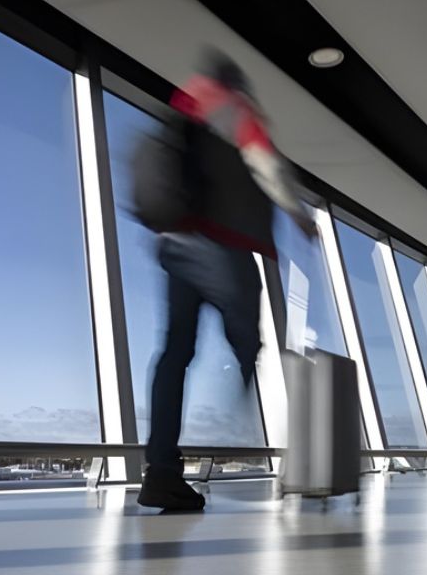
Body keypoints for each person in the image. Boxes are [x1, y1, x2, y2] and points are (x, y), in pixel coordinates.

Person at [137, 50, 314, 511]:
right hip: (220, 245)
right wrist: (297, 212)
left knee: (175, 352)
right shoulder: (231, 106)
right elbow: (264, 162)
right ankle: (238, 407)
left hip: (175, 245)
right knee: (246, 338)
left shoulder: (183, 105)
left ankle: (161, 473)